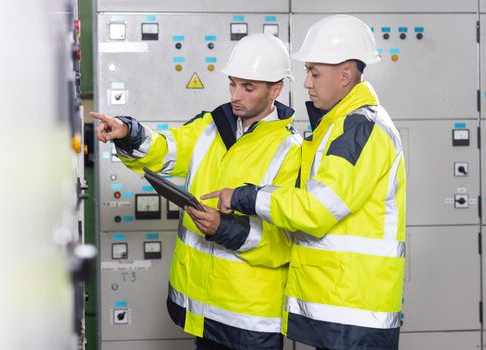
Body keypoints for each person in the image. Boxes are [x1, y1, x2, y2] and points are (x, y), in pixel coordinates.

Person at [198, 15, 406, 350]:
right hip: (341, 304)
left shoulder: (358, 128)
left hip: (354, 309)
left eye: (314, 72)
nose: (307, 83)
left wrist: (244, 197)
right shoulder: (337, 126)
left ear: (346, 75)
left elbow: (318, 209)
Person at [91, 33, 302, 350]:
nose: (236, 95)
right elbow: (165, 149)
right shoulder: (211, 127)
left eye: (248, 87)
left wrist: (223, 228)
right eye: (232, 84)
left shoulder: (291, 150)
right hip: (201, 311)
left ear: (276, 89)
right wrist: (128, 132)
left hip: (249, 319)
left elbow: (285, 242)